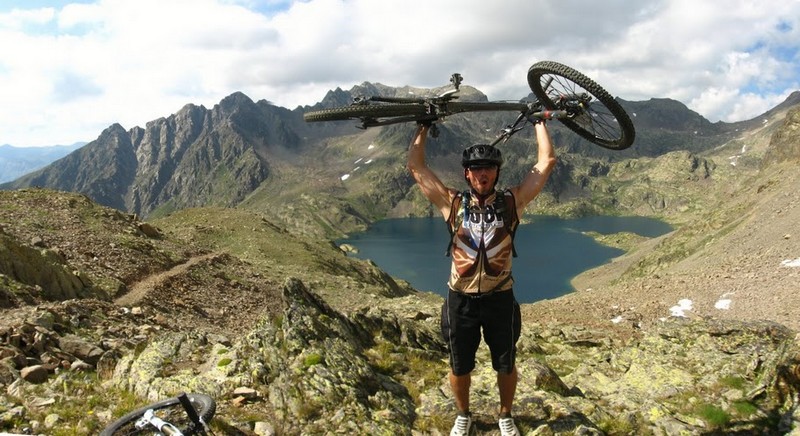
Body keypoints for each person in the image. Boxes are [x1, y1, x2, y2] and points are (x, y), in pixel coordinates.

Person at [407, 118, 556, 436]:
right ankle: (463, 414)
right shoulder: (453, 203)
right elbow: (417, 169)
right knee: (459, 364)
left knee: (506, 362)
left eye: (488, 167)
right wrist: (422, 127)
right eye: (476, 169)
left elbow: (546, 163)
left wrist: (539, 123)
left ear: (497, 172)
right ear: (466, 173)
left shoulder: (511, 203)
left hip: (499, 298)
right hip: (459, 299)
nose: (482, 173)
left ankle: (505, 416)